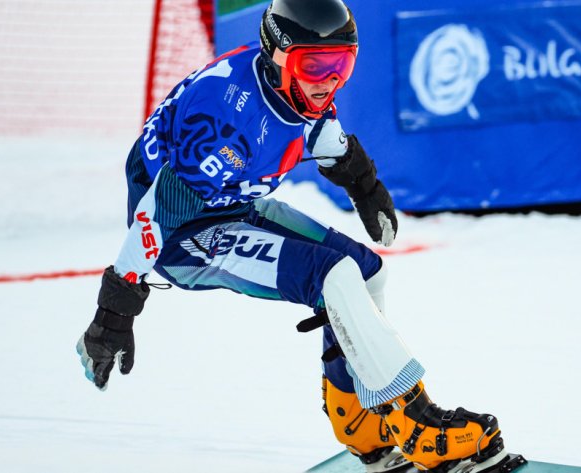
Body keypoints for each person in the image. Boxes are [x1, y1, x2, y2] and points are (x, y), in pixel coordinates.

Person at [76, 0, 507, 471]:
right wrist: (113, 313)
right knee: (333, 275)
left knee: (367, 273)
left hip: (232, 204)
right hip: (185, 236)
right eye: (314, 64)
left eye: (342, 64)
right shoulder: (224, 123)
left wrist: (364, 184)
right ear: (278, 56)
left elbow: (322, 130)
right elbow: (155, 218)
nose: (328, 81)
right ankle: (416, 421)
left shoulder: (293, 89)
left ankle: (361, 420)